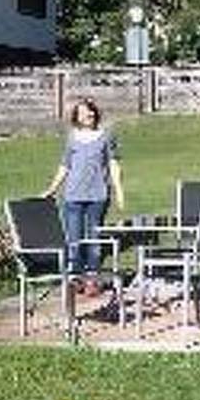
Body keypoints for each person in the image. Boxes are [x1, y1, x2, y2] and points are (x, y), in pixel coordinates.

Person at [41, 98, 125, 294]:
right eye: (83, 113)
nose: (89, 115)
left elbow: (113, 164)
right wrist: (52, 188)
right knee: (74, 238)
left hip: (98, 195)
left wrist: (119, 190)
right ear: (77, 117)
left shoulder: (106, 136)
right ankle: (75, 278)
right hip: (73, 195)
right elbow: (65, 165)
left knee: (94, 238)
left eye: (90, 111)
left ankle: (93, 278)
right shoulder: (72, 137)